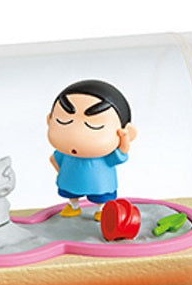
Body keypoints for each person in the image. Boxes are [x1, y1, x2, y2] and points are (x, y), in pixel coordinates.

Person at [47, 79, 137, 221]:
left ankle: (101, 209)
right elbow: (54, 159)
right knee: (70, 192)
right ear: (49, 120)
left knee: (101, 195)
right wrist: (61, 172)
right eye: (63, 121)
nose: (76, 133)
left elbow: (122, 153)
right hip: (70, 178)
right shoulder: (65, 154)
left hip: (99, 182)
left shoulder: (106, 156)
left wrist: (124, 138)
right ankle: (73, 206)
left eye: (94, 126)